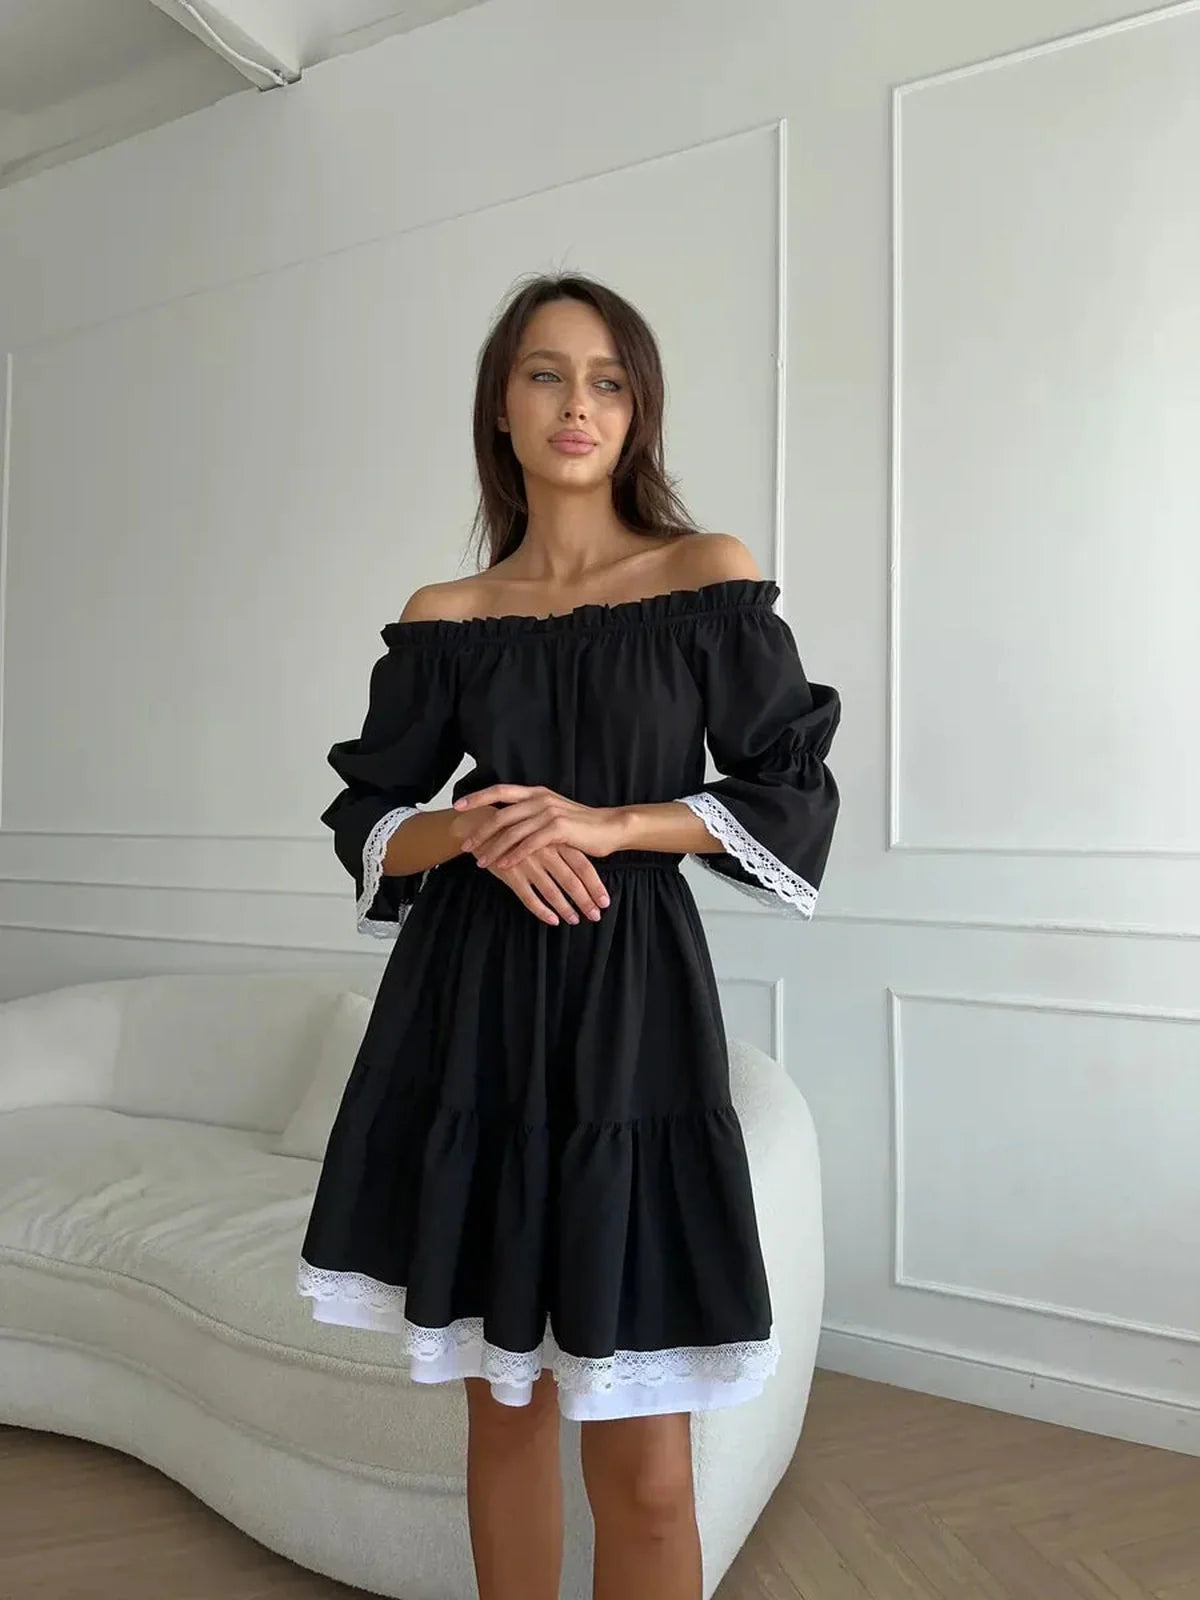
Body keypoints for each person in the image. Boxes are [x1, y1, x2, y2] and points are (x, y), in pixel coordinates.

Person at [295, 272, 840, 1600]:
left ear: (638, 408)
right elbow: (369, 810)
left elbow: (789, 790)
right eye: (545, 373)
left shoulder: (706, 580)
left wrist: (609, 826)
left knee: (648, 1462)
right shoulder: (446, 618)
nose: (576, 403)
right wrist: (474, 826)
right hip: (468, 1014)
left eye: (606, 379)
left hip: (633, 1011)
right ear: (502, 405)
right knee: (505, 1412)